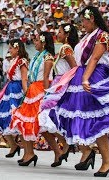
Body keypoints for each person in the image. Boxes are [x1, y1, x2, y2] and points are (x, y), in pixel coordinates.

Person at [49, 6, 109, 177]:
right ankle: (93, 155)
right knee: (90, 120)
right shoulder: (88, 36)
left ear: (91, 18)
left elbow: (94, 58)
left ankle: (106, 160)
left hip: (95, 77)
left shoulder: (102, 35)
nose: (82, 25)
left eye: (84, 21)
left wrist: (85, 78)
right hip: (83, 77)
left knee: (99, 120)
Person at [10, 32, 55, 166]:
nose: (34, 43)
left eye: (36, 40)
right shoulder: (37, 56)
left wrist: (47, 96)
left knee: (43, 124)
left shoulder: (48, 57)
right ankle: (28, 153)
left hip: (41, 90)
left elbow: (46, 78)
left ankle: (59, 151)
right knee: (25, 122)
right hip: (33, 89)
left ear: (43, 42)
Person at [38, 23, 79, 167]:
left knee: (50, 116)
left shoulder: (65, 48)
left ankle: (70, 145)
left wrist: (67, 83)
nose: (57, 34)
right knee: (51, 118)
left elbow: (74, 68)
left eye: (60, 31)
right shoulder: (63, 48)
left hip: (62, 83)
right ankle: (66, 144)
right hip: (59, 83)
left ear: (67, 34)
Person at [0, 39, 29, 158]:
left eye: (11, 48)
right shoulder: (13, 60)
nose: (9, 50)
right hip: (9, 89)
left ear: (17, 48)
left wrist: (27, 93)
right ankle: (13, 145)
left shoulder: (22, 61)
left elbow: (24, 79)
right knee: (2, 117)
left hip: (17, 90)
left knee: (17, 119)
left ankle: (27, 152)